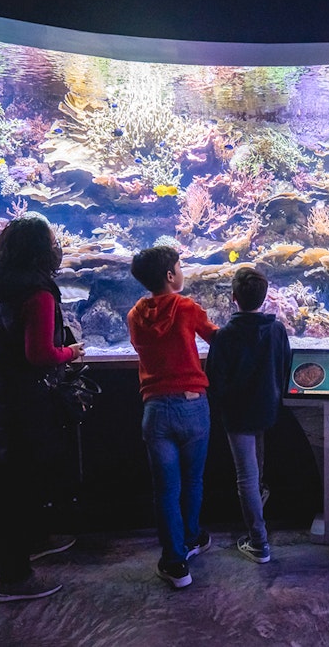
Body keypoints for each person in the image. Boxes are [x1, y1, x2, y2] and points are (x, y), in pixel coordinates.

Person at [0, 215, 85, 603]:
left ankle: (35, 543)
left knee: (13, 480)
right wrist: (71, 351)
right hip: (25, 404)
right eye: (52, 242)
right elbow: (40, 355)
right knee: (22, 485)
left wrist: (2, 339)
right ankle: (15, 579)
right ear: (41, 251)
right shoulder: (38, 293)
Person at [127, 246, 218, 589]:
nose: (182, 271)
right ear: (169, 275)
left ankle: (175, 562)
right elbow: (215, 337)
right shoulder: (186, 307)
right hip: (192, 406)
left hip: (155, 411)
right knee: (193, 481)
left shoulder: (134, 315)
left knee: (166, 490)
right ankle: (192, 537)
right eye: (180, 266)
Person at [205, 267, 291, 564]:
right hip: (267, 409)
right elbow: (285, 364)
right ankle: (258, 515)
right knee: (257, 472)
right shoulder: (277, 329)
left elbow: (214, 379)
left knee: (247, 477)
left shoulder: (225, 336)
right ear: (265, 298)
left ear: (233, 297)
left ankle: (259, 542)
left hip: (238, 415)